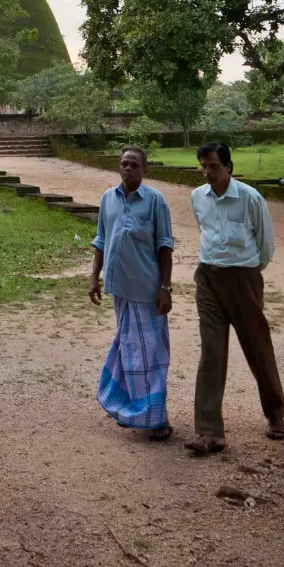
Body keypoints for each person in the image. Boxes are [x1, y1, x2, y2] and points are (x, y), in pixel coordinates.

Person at [185, 141, 284, 456]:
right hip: (208, 278)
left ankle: (275, 413)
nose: (208, 173)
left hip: (243, 278)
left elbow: (265, 245)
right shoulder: (197, 198)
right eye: (203, 166)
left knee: (257, 347)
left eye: (213, 166)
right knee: (211, 352)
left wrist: (248, 275)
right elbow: (204, 231)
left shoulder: (249, 198)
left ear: (228, 166)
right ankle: (209, 431)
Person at [89, 147, 175, 441]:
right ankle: (130, 409)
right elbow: (101, 241)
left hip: (147, 291)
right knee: (129, 350)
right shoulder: (107, 199)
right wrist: (94, 278)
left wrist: (165, 288)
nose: (128, 169)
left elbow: (165, 245)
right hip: (120, 290)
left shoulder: (155, 201)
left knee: (150, 355)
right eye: (124, 164)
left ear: (144, 169)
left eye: (134, 164)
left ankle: (156, 417)